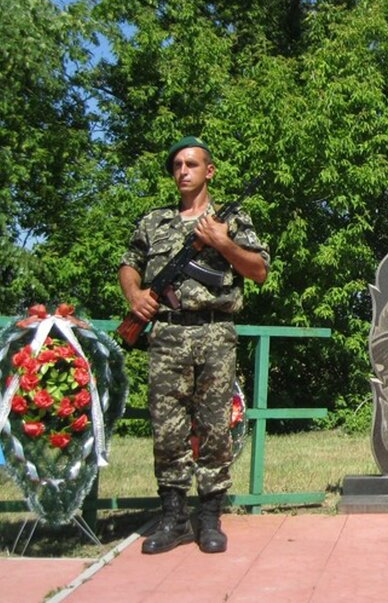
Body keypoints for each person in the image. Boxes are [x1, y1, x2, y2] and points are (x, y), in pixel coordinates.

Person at [119, 136, 269, 554]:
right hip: (167, 333)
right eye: (177, 166)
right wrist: (135, 296)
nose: (183, 171)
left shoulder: (232, 220)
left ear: (209, 171)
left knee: (214, 427)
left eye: (192, 164)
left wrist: (221, 242)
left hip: (214, 332)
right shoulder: (154, 222)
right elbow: (129, 264)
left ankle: (209, 518)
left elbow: (259, 271)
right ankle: (172, 517)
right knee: (167, 429)